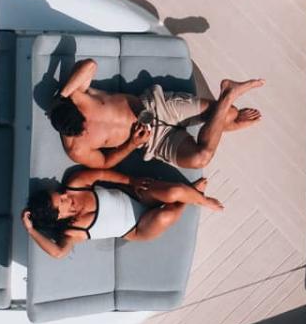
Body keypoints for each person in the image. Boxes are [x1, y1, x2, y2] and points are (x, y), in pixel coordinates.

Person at [45, 57, 262, 170]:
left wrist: (61, 95)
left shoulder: (74, 96)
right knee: (201, 158)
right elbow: (104, 163)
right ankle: (228, 94)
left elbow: (89, 65)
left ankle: (228, 104)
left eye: (84, 122)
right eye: (82, 132)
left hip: (155, 106)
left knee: (231, 115)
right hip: (153, 140)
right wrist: (132, 144)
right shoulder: (76, 149)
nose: (86, 130)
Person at [21, 165, 224, 259]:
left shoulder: (75, 184)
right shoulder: (72, 233)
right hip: (137, 228)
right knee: (165, 215)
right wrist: (31, 231)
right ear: (57, 216)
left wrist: (132, 181)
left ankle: (203, 200)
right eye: (62, 201)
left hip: (135, 195)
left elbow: (102, 173)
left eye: (59, 193)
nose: (64, 194)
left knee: (175, 192)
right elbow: (58, 253)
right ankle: (190, 197)